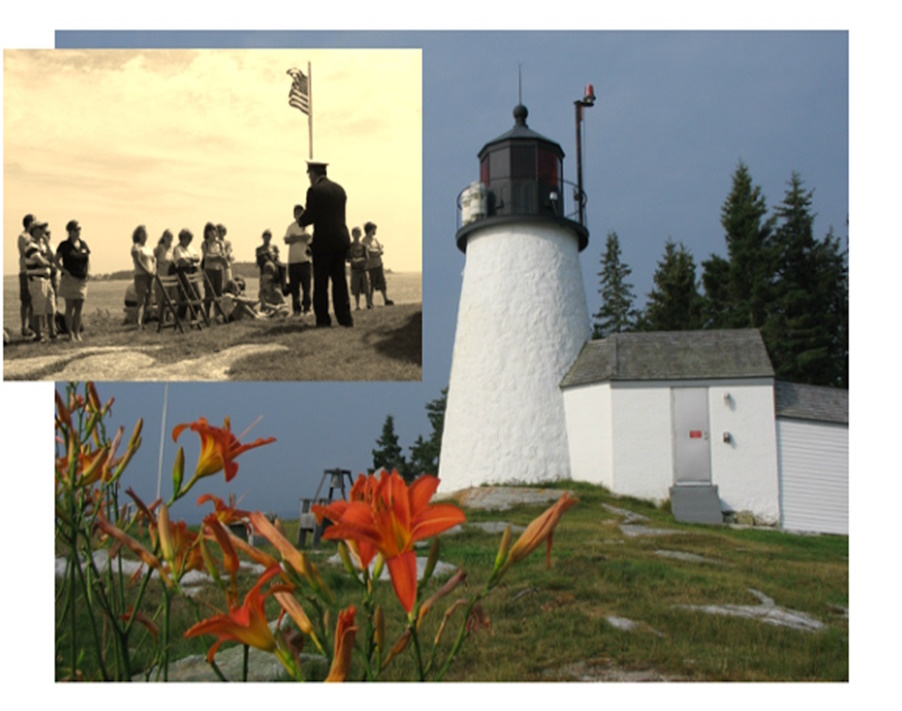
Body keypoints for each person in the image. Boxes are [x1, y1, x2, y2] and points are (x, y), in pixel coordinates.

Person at [296, 162, 353, 327]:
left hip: (324, 242)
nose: (309, 179)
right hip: (341, 240)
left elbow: (311, 215)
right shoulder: (340, 190)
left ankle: (323, 319)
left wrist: (301, 219)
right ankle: (345, 318)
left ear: (313, 174)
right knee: (339, 281)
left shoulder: (314, 191)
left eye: (309, 175)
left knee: (321, 283)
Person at [56, 219, 91, 341]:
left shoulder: (83, 244)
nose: (78, 232)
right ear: (69, 231)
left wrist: (88, 272)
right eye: (76, 230)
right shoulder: (64, 245)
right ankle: (70, 334)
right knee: (69, 307)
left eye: (79, 229)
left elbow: (87, 259)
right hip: (70, 279)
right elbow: (56, 260)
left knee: (79, 307)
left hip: (82, 280)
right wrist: (64, 270)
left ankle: (77, 333)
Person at [23, 219, 57, 342]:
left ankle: (52, 332)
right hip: (36, 280)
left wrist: (48, 244)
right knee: (39, 309)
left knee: (51, 307)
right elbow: (40, 261)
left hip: (46, 279)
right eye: (41, 229)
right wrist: (51, 265)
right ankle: (39, 334)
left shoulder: (42, 245)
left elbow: (52, 257)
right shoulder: (30, 245)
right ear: (35, 231)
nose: (44, 231)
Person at [284, 204, 313, 316]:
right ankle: (296, 310)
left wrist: (294, 238)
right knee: (294, 288)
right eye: (296, 213)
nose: (298, 215)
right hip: (292, 261)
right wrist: (297, 238)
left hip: (305, 261)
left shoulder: (308, 226)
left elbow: (307, 237)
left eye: (300, 213)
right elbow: (286, 240)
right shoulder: (290, 227)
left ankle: (307, 309)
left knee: (306, 287)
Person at [362, 221, 394, 306]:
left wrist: (377, 252)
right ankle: (370, 302)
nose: (375, 231)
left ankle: (386, 299)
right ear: (370, 230)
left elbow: (381, 250)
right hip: (371, 266)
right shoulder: (364, 241)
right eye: (374, 229)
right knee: (371, 284)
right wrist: (378, 252)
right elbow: (369, 252)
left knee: (382, 282)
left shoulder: (375, 240)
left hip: (379, 264)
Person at [131, 225, 156, 329]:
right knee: (141, 300)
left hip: (150, 276)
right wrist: (147, 271)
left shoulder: (149, 247)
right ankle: (139, 323)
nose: (145, 235)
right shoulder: (136, 247)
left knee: (148, 298)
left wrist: (153, 270)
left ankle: (145, 320)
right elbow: (138, 261)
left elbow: (154, 260)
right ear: (138, 235)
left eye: (146, 232)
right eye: (142, 233)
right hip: (141, 275)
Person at [201, 222, 227, 320]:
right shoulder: (205, 243)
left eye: (214, 231)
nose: (213, 233)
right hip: (209, 271)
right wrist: (217, 257)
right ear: (207, 233)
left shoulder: (219, 243)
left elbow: (223, 255)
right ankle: (206, 315)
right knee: (208, 293)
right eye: (211, 231)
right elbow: (207, 256)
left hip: (218, 270)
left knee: (218, 292)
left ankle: (217, 315)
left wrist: (218, 257)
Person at [17, 213, 36, 338]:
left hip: (33, 271)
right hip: (25, 271)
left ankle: (32, 326)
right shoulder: (23, 237)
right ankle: (24, 327)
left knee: (34, 301)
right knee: (25, 301)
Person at [154, 229, 176, 320]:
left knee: (170, 299)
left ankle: (168, 318)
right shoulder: (160, 248)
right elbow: (152, 258)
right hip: (160, 276)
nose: (169, 239)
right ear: (164, 237)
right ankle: (161, 319)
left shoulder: (172, 249)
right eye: (168, 237)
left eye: (171, 237)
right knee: (161, 299)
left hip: (170, 278)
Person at [347, 227, 371, 310]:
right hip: (354, 270)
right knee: (355, 289)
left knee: (366, 288)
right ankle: (357, 305)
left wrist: (360, 260)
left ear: (360, 234)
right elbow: (347, 259)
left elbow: (367, 258)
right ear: (352, 234)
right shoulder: (349, 246)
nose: (356, 235)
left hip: (363, 269)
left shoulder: (363, 246)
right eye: (355, 233)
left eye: (358, 233)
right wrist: (353, 261)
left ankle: (368, 304)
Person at [255, 229, 282, 295]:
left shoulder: (274, 247)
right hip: (264, 272)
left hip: (274, 271)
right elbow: (258, 261)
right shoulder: (259, 249)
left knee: (275, 288)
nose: (267, 238)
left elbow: (277, 258)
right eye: (266, 236)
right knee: (264, 289)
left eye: (269, 236)